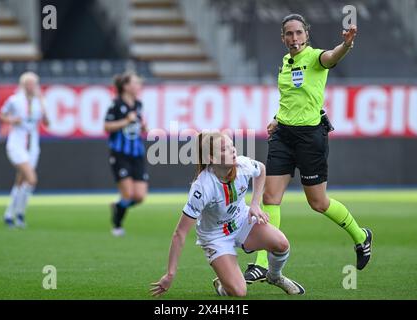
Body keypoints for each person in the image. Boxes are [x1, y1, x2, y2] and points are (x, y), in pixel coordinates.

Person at [243, 14, 373, 284]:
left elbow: (332, 57)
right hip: (283, 136)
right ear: (283, 38)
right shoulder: (285, 63)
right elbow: (290, 98)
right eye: (289, 34)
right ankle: (261, 263)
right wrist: (277, 119)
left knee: (318, 203)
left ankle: (361, 237)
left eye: (298, 33)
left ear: (306, 34)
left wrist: (346, 44)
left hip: (310, 138)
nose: (294, 38)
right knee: (270, 197)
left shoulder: (315, 57)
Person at [150, 132, 305, 297]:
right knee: (239, 292)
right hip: (215, 237)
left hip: (241, 220)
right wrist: (170, 274)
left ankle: (274, 277)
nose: (233, 151)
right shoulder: (202, 187)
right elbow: (179, 234)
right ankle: (224, 285)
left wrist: (254, 204)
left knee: (281, 244)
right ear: (211, 158)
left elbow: (261, 169)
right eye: (225, 149)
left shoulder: (242, 165)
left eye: (232, 146)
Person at [0, 72, 49, 228]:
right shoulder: (15, 100)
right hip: (17, 145)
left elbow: (47, 123)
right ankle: (18, 212)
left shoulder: (39, 101)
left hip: (33, 146)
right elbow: (2, 115)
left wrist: (42, 103)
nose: (31, 87)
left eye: (33, 84)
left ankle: (12, 214)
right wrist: (12, 120)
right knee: (31, 179)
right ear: (23, 85)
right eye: (28, 84)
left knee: (20, 182)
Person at [104, 71, 148, 237]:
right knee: (128, 193)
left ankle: (118, 205)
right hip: (120, 153)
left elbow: (136, 127)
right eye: (135, 83)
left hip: (136, 153)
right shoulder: (115, 105)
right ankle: (117, 225)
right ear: (126, 86)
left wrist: (143, 127)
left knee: (139, 196)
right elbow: (107, 127)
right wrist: (126, 121)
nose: (139, 86)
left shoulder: (138, 104)